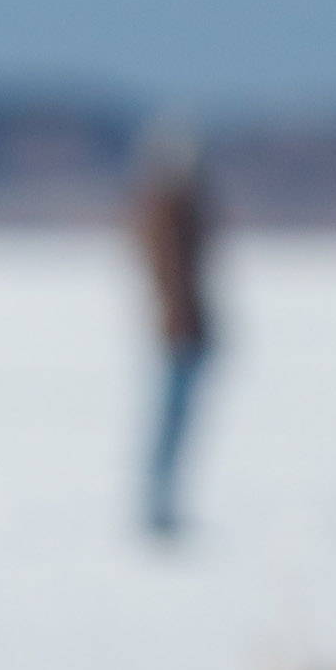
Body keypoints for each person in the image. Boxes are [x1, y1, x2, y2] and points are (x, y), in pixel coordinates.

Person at [128, 121, 218, 540]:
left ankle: (161, 504)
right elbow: (171, 276)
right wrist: (181, 324)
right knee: (168, 422)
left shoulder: (180, 210)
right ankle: (155, 507)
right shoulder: (165, 212)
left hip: (185, 329)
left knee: (177, 423)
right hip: (177, 333)